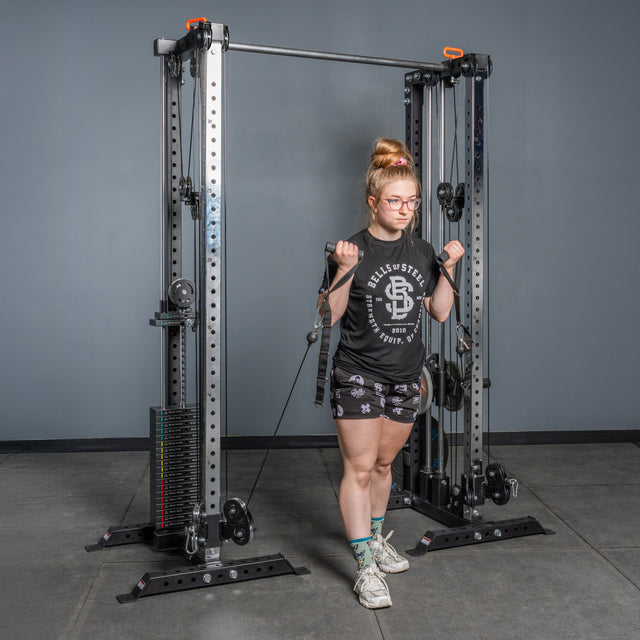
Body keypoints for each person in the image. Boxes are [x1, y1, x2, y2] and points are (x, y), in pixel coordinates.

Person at [318, 138, 464, 609]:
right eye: (395, 201)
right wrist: (342, 269)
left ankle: (375, 541)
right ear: (373, 203)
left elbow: (439, 313)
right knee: (359, 468)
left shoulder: (422, 250)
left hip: (406, 376)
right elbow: (329, 316)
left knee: (384, 467)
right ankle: (364, 568)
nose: (405, 209)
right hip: (358, 373)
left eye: (411, 201)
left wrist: (449, 269)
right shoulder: (351, 250)